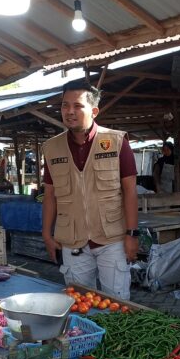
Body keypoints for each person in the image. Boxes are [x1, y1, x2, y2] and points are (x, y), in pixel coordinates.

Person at [41, 80, 138, 300]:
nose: (70, 112)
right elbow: (50, 195)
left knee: (117, 304)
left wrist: (132, 234)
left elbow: (130, 191)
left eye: (77, 106)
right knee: (80, 304)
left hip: (112, 240)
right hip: (73, 242)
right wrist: (47, 233)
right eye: (65, 106)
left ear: (94, 111)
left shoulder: (116, 141)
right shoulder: (51, 148)